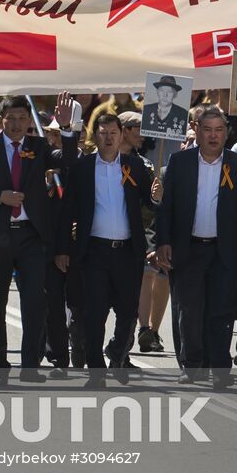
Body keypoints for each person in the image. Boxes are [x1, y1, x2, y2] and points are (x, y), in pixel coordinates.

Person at [0, 94, 78, 385]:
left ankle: (30, 365)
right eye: (11, 118)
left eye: (23, 118)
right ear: (1, 120)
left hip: (31, 236)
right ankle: (0, 364)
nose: (17, 124)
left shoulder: (38, 147)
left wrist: (66, 130)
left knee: (36, 301)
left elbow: (69, 161)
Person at [53, 113, 157, 388]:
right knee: (94, 313)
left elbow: (150, 205)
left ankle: (116, 350)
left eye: (113, 132)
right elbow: (67, 211)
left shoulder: (135, 167)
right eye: (103, 132)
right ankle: (95, 371)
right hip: (94, 251)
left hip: (127, 252)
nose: (109, 138)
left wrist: (156, 197)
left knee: (127, 313)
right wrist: (63, 248)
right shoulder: (83, 168)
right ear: (95, 135)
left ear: (122, 135)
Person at [154, 106, 237, 388]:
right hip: (188, 249)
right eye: (207, 129)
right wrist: (163, 242)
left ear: (226, 133)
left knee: (221, 311)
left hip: (224, 251)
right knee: (189, 310)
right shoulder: (179, 162)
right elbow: (167, 208)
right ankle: (192, 365)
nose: (213, 135)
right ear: (196, 130)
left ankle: (220, 366)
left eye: (219, 130)